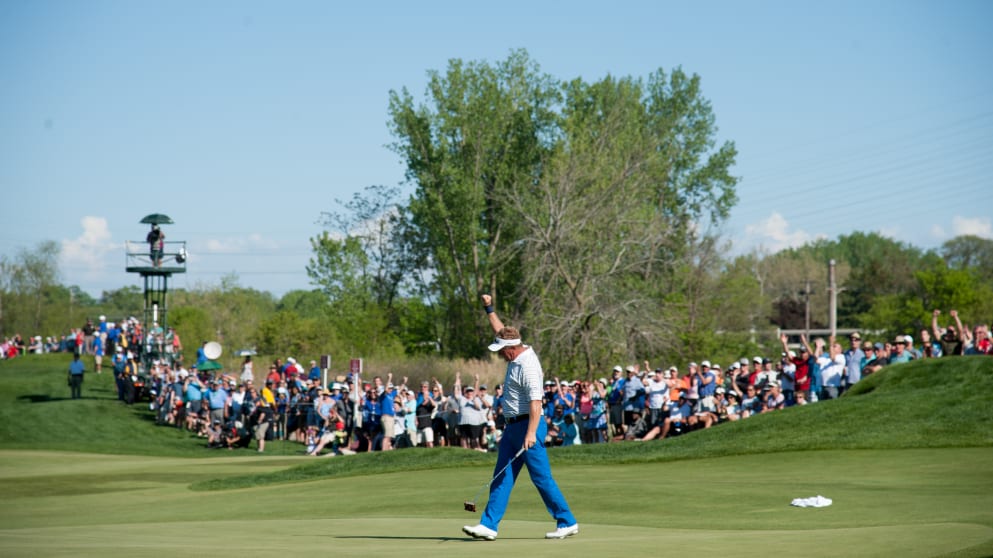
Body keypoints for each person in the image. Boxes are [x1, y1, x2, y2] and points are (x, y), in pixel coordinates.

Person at [462, 294, 578, 542]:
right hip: (513, 428)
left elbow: (536, 402)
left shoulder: (528, 366)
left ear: (511, 349)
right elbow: (499, 330)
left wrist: (530, 433)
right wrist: (489, 308)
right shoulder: (514, 352)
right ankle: (488, 525)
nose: (500, 355)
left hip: (529, 426)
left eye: (502, 351)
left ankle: (567, 521)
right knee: (501, 475)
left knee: (541, 477)